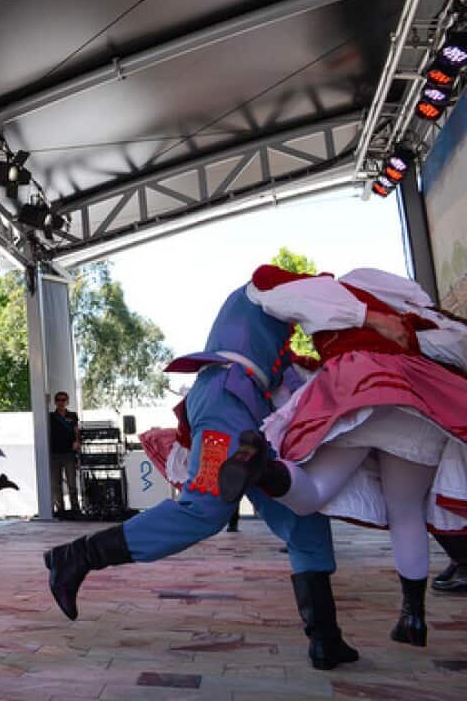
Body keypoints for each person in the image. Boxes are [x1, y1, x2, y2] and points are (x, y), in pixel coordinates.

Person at [44, 265, 362, 671]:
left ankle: (326, 639)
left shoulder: (274, 337)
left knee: (302, 514)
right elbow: (311, 304)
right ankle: (78, 556)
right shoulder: (263, 287)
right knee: (204, 508)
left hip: (247, 415)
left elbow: (291, 378)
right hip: (227, 404)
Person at [221, 267, 467, 648]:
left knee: (314, 493)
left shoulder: (332, 292)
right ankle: (413, 619)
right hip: (413, 397)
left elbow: (278, 291)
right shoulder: (417, 315)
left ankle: (264, 468)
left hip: (357, 385)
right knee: (406, 512)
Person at [49, 392, 80, 514]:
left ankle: (75, 508)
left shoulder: (73, 415)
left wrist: (77, 442)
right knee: (56, 484)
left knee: (72, 483)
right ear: (55, 402)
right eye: (58, 400)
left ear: (67, 401)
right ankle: (60, 509)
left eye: (63, 400)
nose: (61, 402)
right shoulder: (50, 416)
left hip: (69, 454)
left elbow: (76, 430)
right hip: (55, 454)